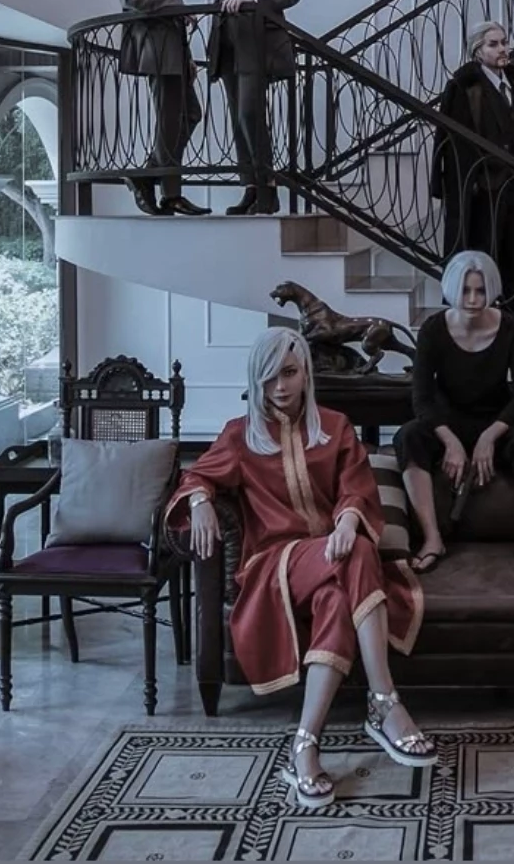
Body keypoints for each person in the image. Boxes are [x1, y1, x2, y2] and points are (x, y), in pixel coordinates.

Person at [167, 326, 435, 810]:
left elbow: (356, 488)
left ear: (307, 372)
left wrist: (348, 519)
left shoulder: (336, 427)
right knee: (358, 554)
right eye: (269, 378)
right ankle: (384, 701)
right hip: (274, 565)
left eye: (289, 373)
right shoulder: (239, 436)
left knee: (336, 600)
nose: (280, 387)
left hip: (330, 560)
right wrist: (201, 500)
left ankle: (304, 745)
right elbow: (195, 476)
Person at [394, 251, 514, 574]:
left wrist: (489, 436)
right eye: (465, 290)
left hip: (496, 422)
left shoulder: (511, 329)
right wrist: (450, 440)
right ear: (452, 290)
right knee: (408, 435)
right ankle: (432, 539)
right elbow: (422, 398)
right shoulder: (433, 329)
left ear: (491, 290)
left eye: (480, 291)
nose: (472, 299)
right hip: (448, 423)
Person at [429, 21, 514, 309]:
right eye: (493, 44)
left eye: (504, 42)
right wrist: (471, 182)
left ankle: (513, 315)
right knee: (484, 256)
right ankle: (485, 313)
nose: (502, 49)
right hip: (484, 190)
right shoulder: (465, 88)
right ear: (477, 51)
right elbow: (453, 143)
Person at [206, 0, 300, 216]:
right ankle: (250, 187)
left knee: (250, 113)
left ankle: (267, 187)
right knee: (237, 117)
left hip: (259, 42)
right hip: (228, 40)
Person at [117, 0, 208, 216]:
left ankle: (148, 177)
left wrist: (186, 54)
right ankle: (170, 192)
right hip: (155, 43)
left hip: (171, 44)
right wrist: (177, 7)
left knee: (189, 114)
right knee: (171, 118)